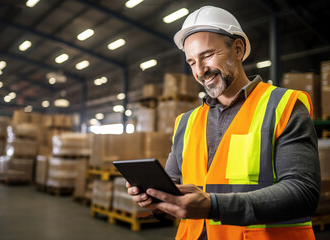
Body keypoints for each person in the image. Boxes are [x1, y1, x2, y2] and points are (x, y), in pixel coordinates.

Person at [127, 6, 320, 240]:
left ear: (237, 49)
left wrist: (213, 206)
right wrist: (153, 200)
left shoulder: (284, 106)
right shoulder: (186, 123)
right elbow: (173, 186)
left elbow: (303, 193)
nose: (200, 70)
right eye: (191, 62)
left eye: (207, 55)